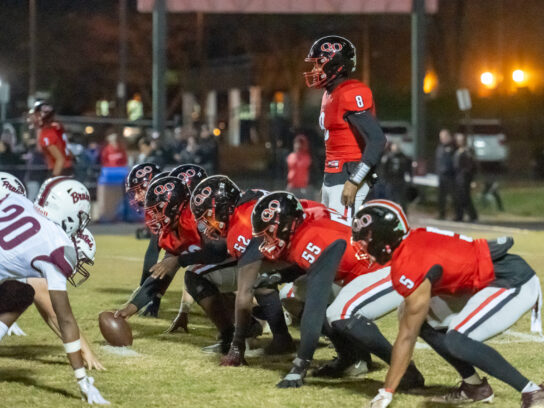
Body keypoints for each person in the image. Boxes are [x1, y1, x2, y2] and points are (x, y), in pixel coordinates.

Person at [352, 200, 544, 408]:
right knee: (422, 321)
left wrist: (386, 392)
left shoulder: (410, 263)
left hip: (510, 281)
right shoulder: (412, 241)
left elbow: (407, 336)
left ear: (384, 235)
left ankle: (533, 392)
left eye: (367, 238)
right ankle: (474, 387)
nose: (362, 245)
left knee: (457, 339)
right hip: (481, 281)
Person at [0, 176, 109, 404]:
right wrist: (82, 380)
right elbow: (63, 317)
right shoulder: (57, 246)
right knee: (22, 292)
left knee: (18, 290)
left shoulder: (18, 201)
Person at [304, 35, 386, 219]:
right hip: (333, 175)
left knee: (343, 240)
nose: (314, 69)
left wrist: (355, 180)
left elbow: (377, 139)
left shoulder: (351, 92)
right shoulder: (329, 94)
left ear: (334, 64)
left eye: (318, 64)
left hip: (349, 174)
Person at [28, 101, 73, 177]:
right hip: (67, 168)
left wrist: (53, 179)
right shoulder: (56, 127)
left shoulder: (47, 133)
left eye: (35, 114)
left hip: (59, 170)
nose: (32, 118)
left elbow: (60, 160)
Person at [453, 133, 478, 222]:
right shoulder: (457, 151)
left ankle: (473, 215)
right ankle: (459, 215)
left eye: (461, 140)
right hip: (458, 177)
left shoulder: (467, 152)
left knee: (465, 197)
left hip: (465, 177)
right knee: (458, 197)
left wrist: (472, 180)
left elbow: (471, 166)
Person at [382, 142, 412, 212]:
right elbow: (384, 169)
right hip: (391, 181)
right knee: (390, 198)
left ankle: (403, 214)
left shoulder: (404, 157)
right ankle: (390, 212)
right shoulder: (388, 157)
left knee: (402, 199)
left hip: (400, 180)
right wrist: (385, 179)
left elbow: (409, 169)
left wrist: (410, 179)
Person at [435, 129, 456, 219]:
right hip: (441, 175)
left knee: (453, 196)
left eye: (444, 137)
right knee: (441, 196)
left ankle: (457, 215)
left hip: (451, 175)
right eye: (441, 137)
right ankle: (441, 214)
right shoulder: (440, 148)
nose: (443, 139)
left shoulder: (453, 148)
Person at [286, 134, 312, 199]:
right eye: (297, 143)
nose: (298, 145)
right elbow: (292, 164)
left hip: (303, 187)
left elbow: (302, 165)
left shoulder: (307, 157)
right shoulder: (291, 156)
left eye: (301, 144)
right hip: (292, 186)